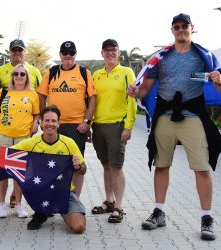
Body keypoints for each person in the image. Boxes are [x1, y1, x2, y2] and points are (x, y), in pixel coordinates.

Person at [127, 13, 221, 240]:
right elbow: (145, 89)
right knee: (161, 165)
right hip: (165, 117)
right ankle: (159, 212)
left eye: (184, 26)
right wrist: (135, 92)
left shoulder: (204, 56)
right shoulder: (162, 58)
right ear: (172, 30)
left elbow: (218, 90)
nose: (181, 30)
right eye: (177, 26)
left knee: (202, 167)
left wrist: (218, 80)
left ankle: (207, 217)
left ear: (192, 28)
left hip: (192, 117)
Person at [0, 105, 87, 233]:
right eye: (46, 120)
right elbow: (4, 154)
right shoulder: (31, 143)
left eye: (53, 121)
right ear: (41, 123)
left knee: (78, 227)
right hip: (40, 191)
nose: (50, 124)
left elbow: (83, 170)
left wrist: (78, 166)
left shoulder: (68, 143)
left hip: (63, 193)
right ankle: (41, 212)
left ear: (59, 123)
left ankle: (56, 210)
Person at [0, 39, 42, 208]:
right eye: (14, 50)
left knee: (19, 168)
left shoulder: (35, 71)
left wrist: (37, 122)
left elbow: (38, 98)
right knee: (1, 167)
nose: (17, 53)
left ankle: (15, 199)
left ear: (24, 52)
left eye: (20, 50)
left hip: (23, 129)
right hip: (4, 129)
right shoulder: (1, 70)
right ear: (10, 52)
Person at [37, 41, 96, 197]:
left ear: (75, 55)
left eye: (71, 53)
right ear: (60, 55)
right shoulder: (52, 72)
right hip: (54, 126)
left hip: (77, 127)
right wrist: (44, 119)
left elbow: (92, 99)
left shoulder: (84, 72)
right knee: (52, 164)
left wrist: (87, 122)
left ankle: (74, 201)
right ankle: (52, 198)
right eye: (65, 53)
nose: (68, 56)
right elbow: (41, 95)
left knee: (76, 164)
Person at [90, 39, 137, 223]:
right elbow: (92, 101)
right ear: (102, 53)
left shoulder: (126, 72)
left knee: (116, 167)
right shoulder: (97, 74)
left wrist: (128, 126)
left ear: (118, 53)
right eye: (106, 50)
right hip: (98, 125)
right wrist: (89, 123)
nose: (110, 53)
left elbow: (132, 100)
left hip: (117, 126)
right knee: (106, 165)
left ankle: (119, 207)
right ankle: (108, 201)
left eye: (113, 50)